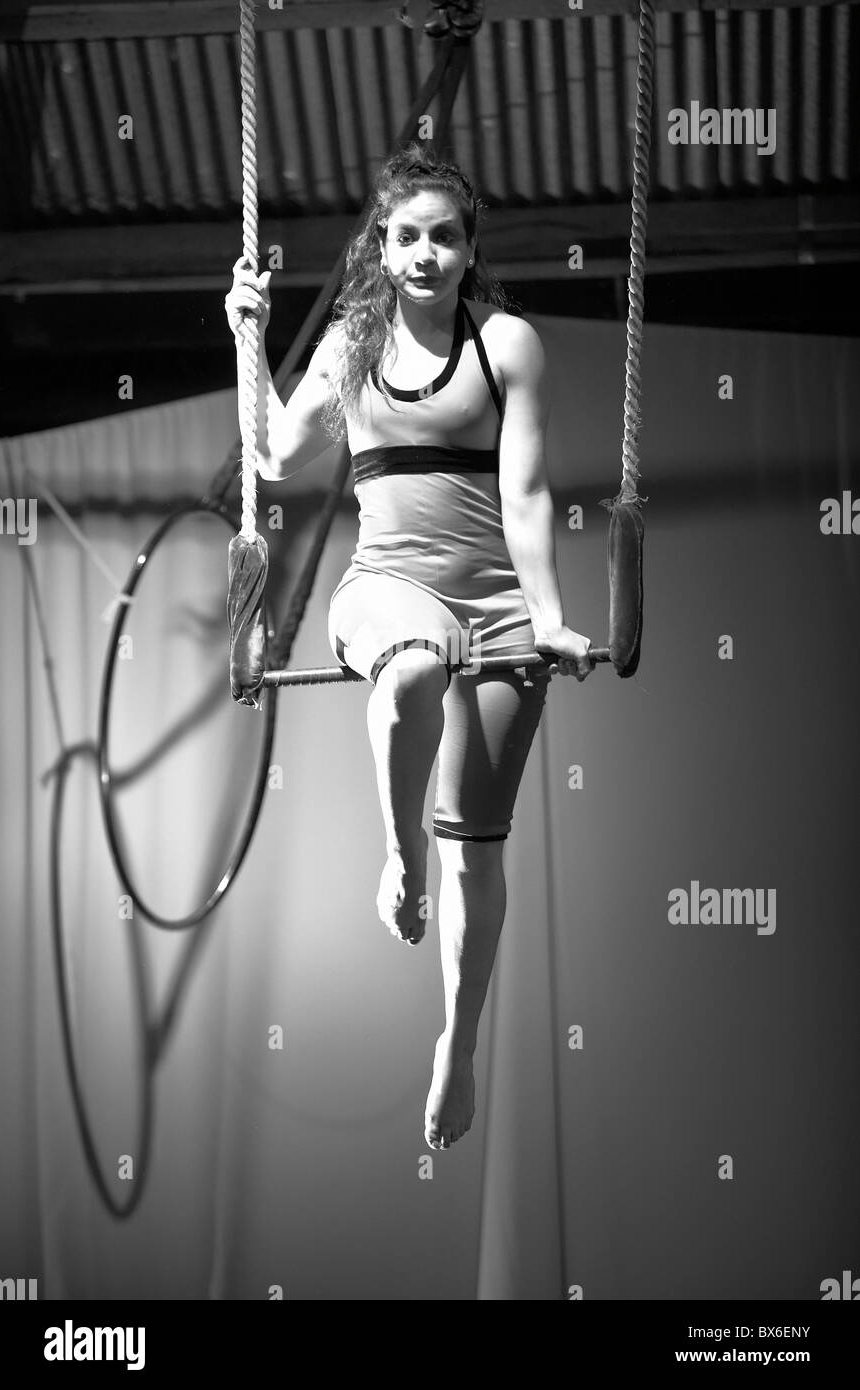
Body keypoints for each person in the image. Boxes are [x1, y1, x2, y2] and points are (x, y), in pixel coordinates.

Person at [225, 143, 594, 1152]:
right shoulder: (351, 344)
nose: (425, 253)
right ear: (380, 251)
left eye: (444, 235)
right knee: (416, 662)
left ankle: (458, 1041)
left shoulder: (507, 344)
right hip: (382, 590)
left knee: (479, 854)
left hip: (496, 603)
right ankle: (398, 860)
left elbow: (524, 496)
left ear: (468, 248)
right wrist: (247, 335)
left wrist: (548, 612)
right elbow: (271, 452)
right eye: (406, 236)